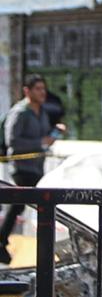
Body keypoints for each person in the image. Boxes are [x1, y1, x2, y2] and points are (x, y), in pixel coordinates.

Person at [0, 74, 58, 256]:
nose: (42, 93)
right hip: (22, 167)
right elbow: (13, 141)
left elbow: (45, 138)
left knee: (20, 204)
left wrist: (54, 134)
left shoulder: (41, 112)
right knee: (34, 202)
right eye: (38, 89)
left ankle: (2, 241)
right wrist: (40, 142)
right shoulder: (20, 112)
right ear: (27, 91)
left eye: (43, 89)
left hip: (37, 166)